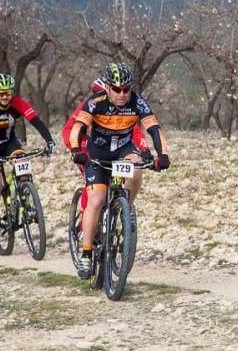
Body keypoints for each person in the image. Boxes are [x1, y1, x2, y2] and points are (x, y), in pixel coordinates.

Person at [68, 62, 170, 278]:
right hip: (97, 152)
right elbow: (78, 127)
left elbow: (154, 128)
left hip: (124, 149)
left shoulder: (137, 102)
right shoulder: (95, 102)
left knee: (136, 167)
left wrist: (163, 155)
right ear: (107, 88)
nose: (122, 94)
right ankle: (86, 255)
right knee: (96, 200)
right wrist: (77, 149)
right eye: (117, 89)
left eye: (126, 89)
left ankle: (125, 209)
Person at [0, 73, 55, 235]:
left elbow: (36, 120)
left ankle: (28, 205)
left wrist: (49, 141)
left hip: (9, 143)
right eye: (1, 94)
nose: (4, 97)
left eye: (7, 93)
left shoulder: (17, 103)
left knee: (23, 167)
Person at [61, 77, 150, 216]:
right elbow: (69, 129)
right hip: (87, 148)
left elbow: (135, 131)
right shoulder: (88, 105)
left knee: (118, 178)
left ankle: (120, 209)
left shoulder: (123, 109)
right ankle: (85, 221)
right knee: (93, 188)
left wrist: (144, 149)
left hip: (113, 150)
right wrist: (76, 149)